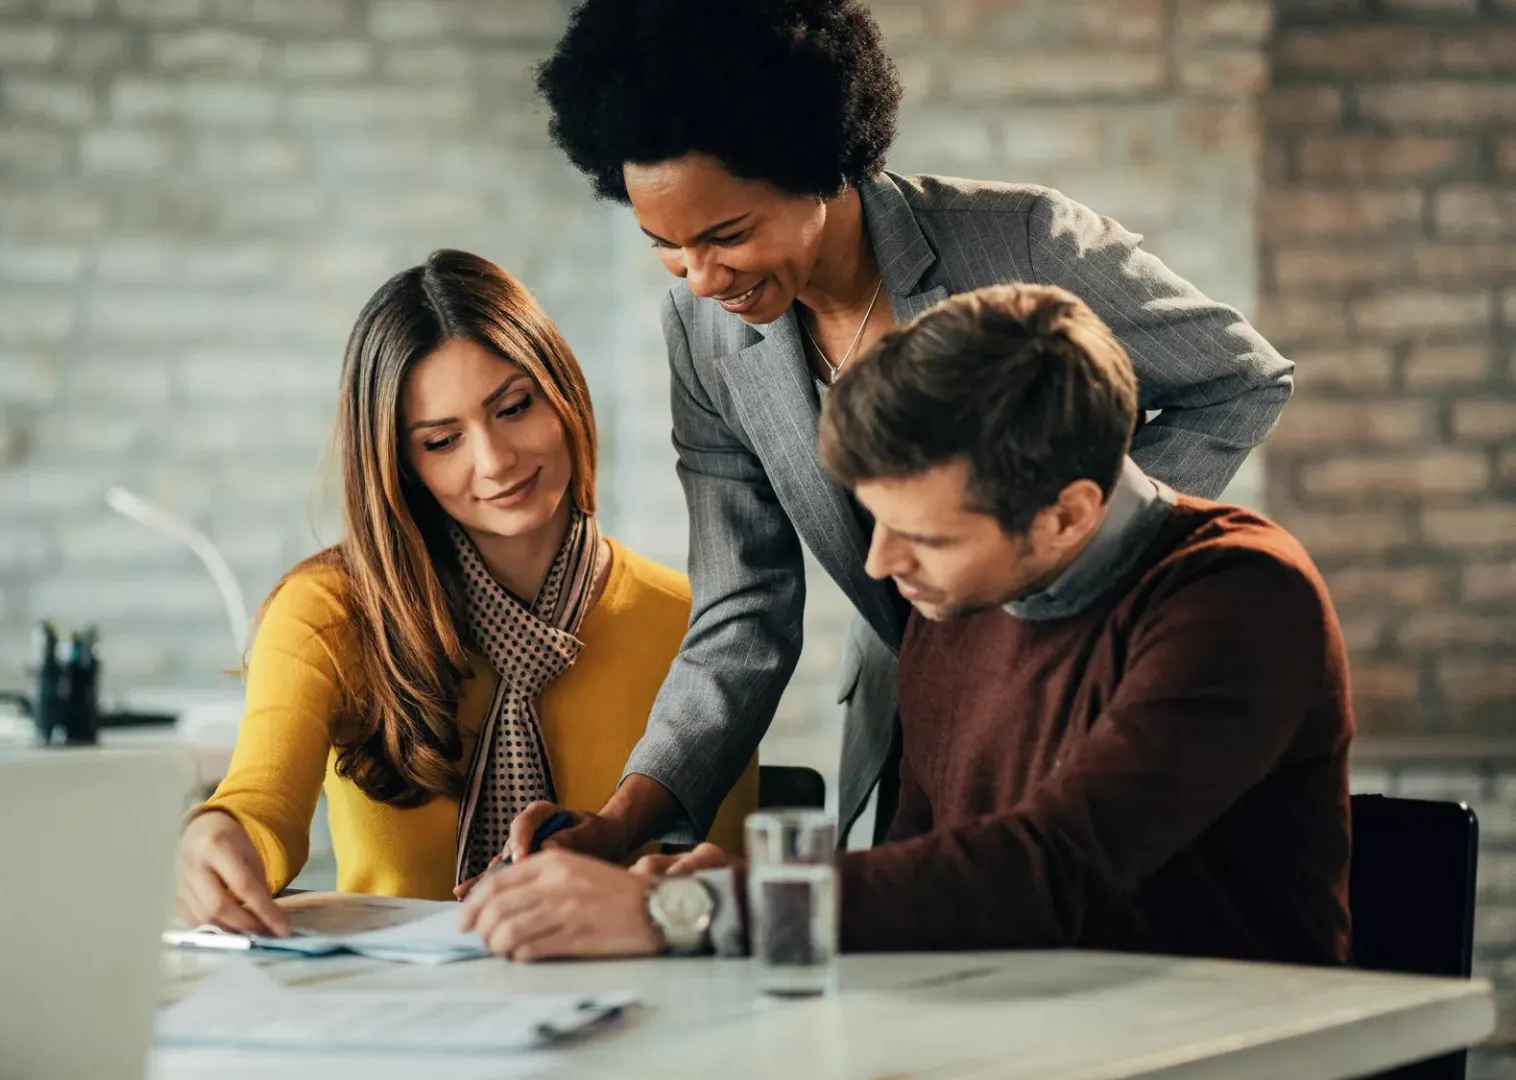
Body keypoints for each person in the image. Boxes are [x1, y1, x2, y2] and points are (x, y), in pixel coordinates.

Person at [502, 0, 1296, 865]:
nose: (699, 278)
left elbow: (1238, 378)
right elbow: (744, 609)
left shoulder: (1020, 242)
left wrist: (1053, 547)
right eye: (665, 244)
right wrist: (625, 820)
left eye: (728, 235)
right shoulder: (704, 336)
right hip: (914, 718)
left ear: (820, 167)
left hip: (1077, 680)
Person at [459, 283, 1352, 966]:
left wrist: (688, 913)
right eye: (876, 520)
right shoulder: (954, 594)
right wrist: (716, 884)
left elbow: (1050, 873)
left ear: (1070, 515)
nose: (880, 566)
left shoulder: (1240, 598)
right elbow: (925, 874)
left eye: (923, 534)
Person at [174, 250, 757, 935]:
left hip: (642, 1004)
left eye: (514, 407)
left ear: (564, 392)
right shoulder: (329, 613)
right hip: (403, 1020)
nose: (494, 460)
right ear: (401, 466)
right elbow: (260, 808)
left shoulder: (695, 623)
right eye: (442, 440)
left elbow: (721, 885)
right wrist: (216, 837)